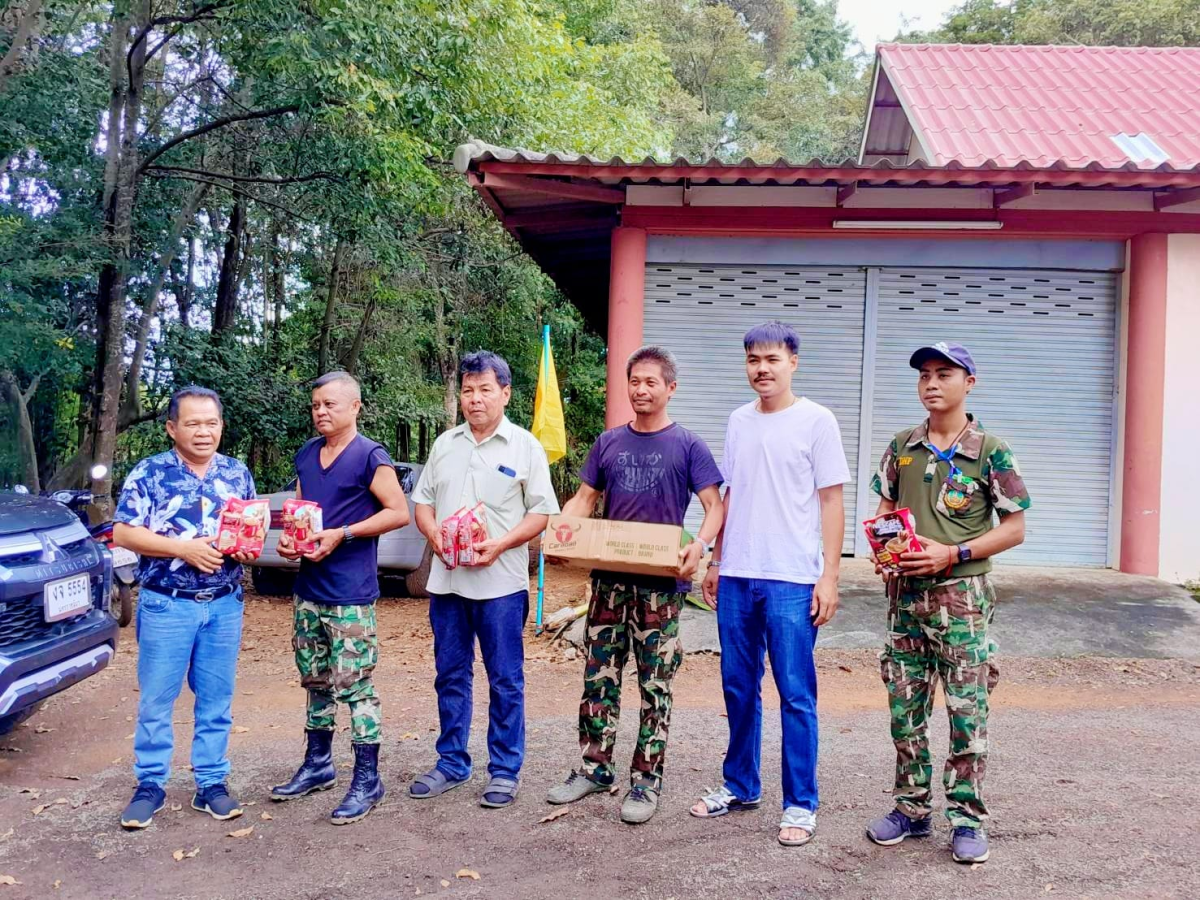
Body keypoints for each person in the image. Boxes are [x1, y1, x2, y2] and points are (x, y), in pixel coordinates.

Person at [864, 342, 1030, 865]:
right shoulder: (902, 446)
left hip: (963, 600)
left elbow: (1015, 528)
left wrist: (953, 553)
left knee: (966, 711)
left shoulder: (991, 451)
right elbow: (886, 511)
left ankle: (966, 817)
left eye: (944, 374)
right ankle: (910, 810)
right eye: (925, 376)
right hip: (906, 599)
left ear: (969, 383)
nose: (932, 383)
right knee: (905, 709)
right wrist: (886, 552)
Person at [545, 346, 724, 824]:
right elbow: (585, 498)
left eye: (651, 382)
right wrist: (561, 535)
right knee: (598, 678)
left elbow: (715, 507)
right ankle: (593, 767)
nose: (641, 390)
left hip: (661, 589)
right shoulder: (608, 443)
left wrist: (701, 547)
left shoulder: (688, 445)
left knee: (655, 685)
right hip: (608, 584)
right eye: (635, 382)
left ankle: (646, 781)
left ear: (670, 388)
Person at [690, 322, 850, 848]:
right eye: (753, 359)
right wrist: (713, 557)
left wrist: (828, 575)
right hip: (737, 575)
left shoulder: (817, 421)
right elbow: (730, 495)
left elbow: (831, 501)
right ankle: (741, 785)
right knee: (738, 686)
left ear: (793, 363)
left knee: (795, 693)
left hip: (791, 579)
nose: (762, 368)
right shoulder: (738, 421)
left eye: (772, 359)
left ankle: (800, 802)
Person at [409, 351, 559, 809]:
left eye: (485, 390)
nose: (475, 399)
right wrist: (434, 534)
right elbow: (423, 503)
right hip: (448, 585)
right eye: (468, 391)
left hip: (502, 585)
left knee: (505, 679)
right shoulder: (445, 444)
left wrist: (500, 544)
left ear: (505, 393)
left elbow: (541, 513)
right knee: (450, 675)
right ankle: (452, 762)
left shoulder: (524, 446)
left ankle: (505, 768)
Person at [114, 386, 259, 829]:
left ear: (221, 426)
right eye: (193, 423)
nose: (203, 432)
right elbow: (123, 533)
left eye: (211, 423)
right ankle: (151, 784)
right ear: (172, 428)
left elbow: (248, 531)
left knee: (216, 700)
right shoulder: (151, 473)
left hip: (223, 605)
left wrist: (247, 549)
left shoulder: (237, 474)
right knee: (157, 700)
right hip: (166, 606)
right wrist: (184, 549)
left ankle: (211, 783)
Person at [270, 372, 410, 825]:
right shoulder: (308, 454)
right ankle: (318, 765)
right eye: (315, 405)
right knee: (314, 680)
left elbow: (398, 512)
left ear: (355, 407)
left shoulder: (370, 456)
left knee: (355, 685)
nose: (321, 412)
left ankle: (368, 779)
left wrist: (343, 533)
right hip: (309, 589)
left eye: (330, 404)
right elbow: (299, 509)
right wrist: (292, 543)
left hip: (350, 594)